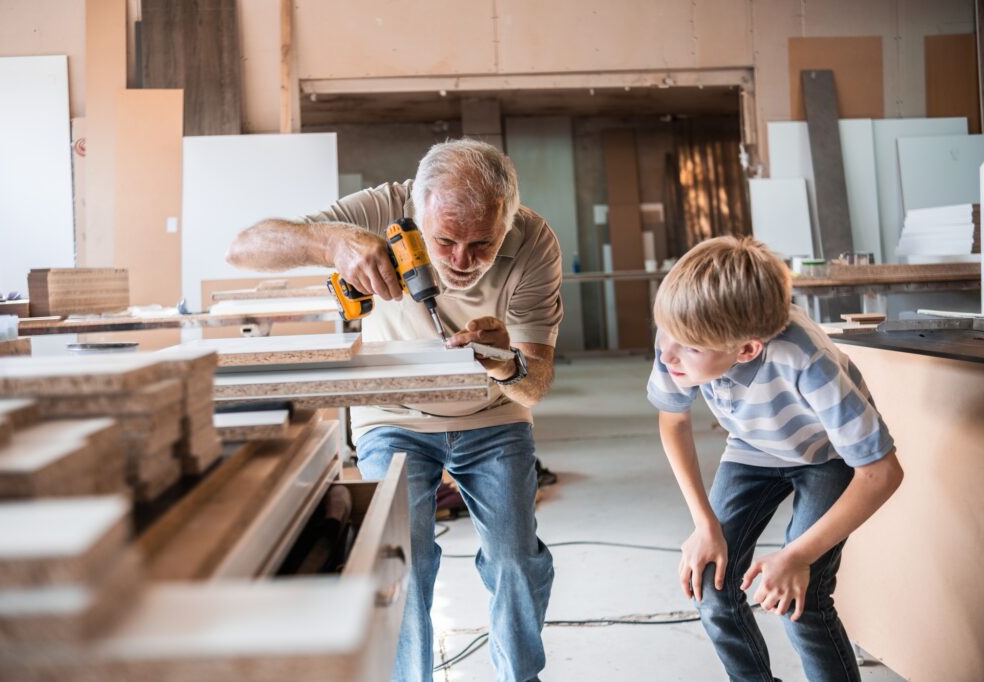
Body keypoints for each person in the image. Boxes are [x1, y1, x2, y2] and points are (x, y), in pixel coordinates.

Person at [226, 138, 563, 682]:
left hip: (492, 416)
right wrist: (330, 242)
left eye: (483, 243)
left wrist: (504, 364)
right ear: (417, 208)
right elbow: (241, 249)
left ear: (508, 219)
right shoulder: (384, 209)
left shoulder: (534, 241)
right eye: (445, 240)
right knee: (404, 558)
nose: (460, 262)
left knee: (515, 560)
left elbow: (536, 385)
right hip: (393, 413)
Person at [646, 236, 904, 682]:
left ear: (747, 349)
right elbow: (674, 421)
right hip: (751, 447)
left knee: (800, 603)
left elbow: (881, 472)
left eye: (688, 348)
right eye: (667, 336)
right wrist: (705, 524)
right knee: (711, 586)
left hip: (828, 455)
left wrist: (797, 556)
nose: (667, 355)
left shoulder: (806, 360)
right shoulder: (680, 328)